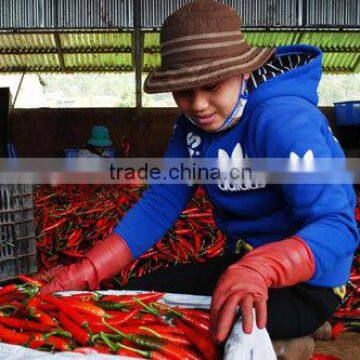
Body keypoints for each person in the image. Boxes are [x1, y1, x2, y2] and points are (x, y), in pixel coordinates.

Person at [39, 1, 359, 358]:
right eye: (184, 91)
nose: (199, 105)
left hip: (308, 282)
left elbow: (337, 228)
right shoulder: (190, 128)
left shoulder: (283, 120)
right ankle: (284, 334)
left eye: (210, 86)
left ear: (242, 69)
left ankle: (291, 343)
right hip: (242, 267)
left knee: (213, 325)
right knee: (137, 301)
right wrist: (90, 269)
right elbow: (160, 205)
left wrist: (263, 267)